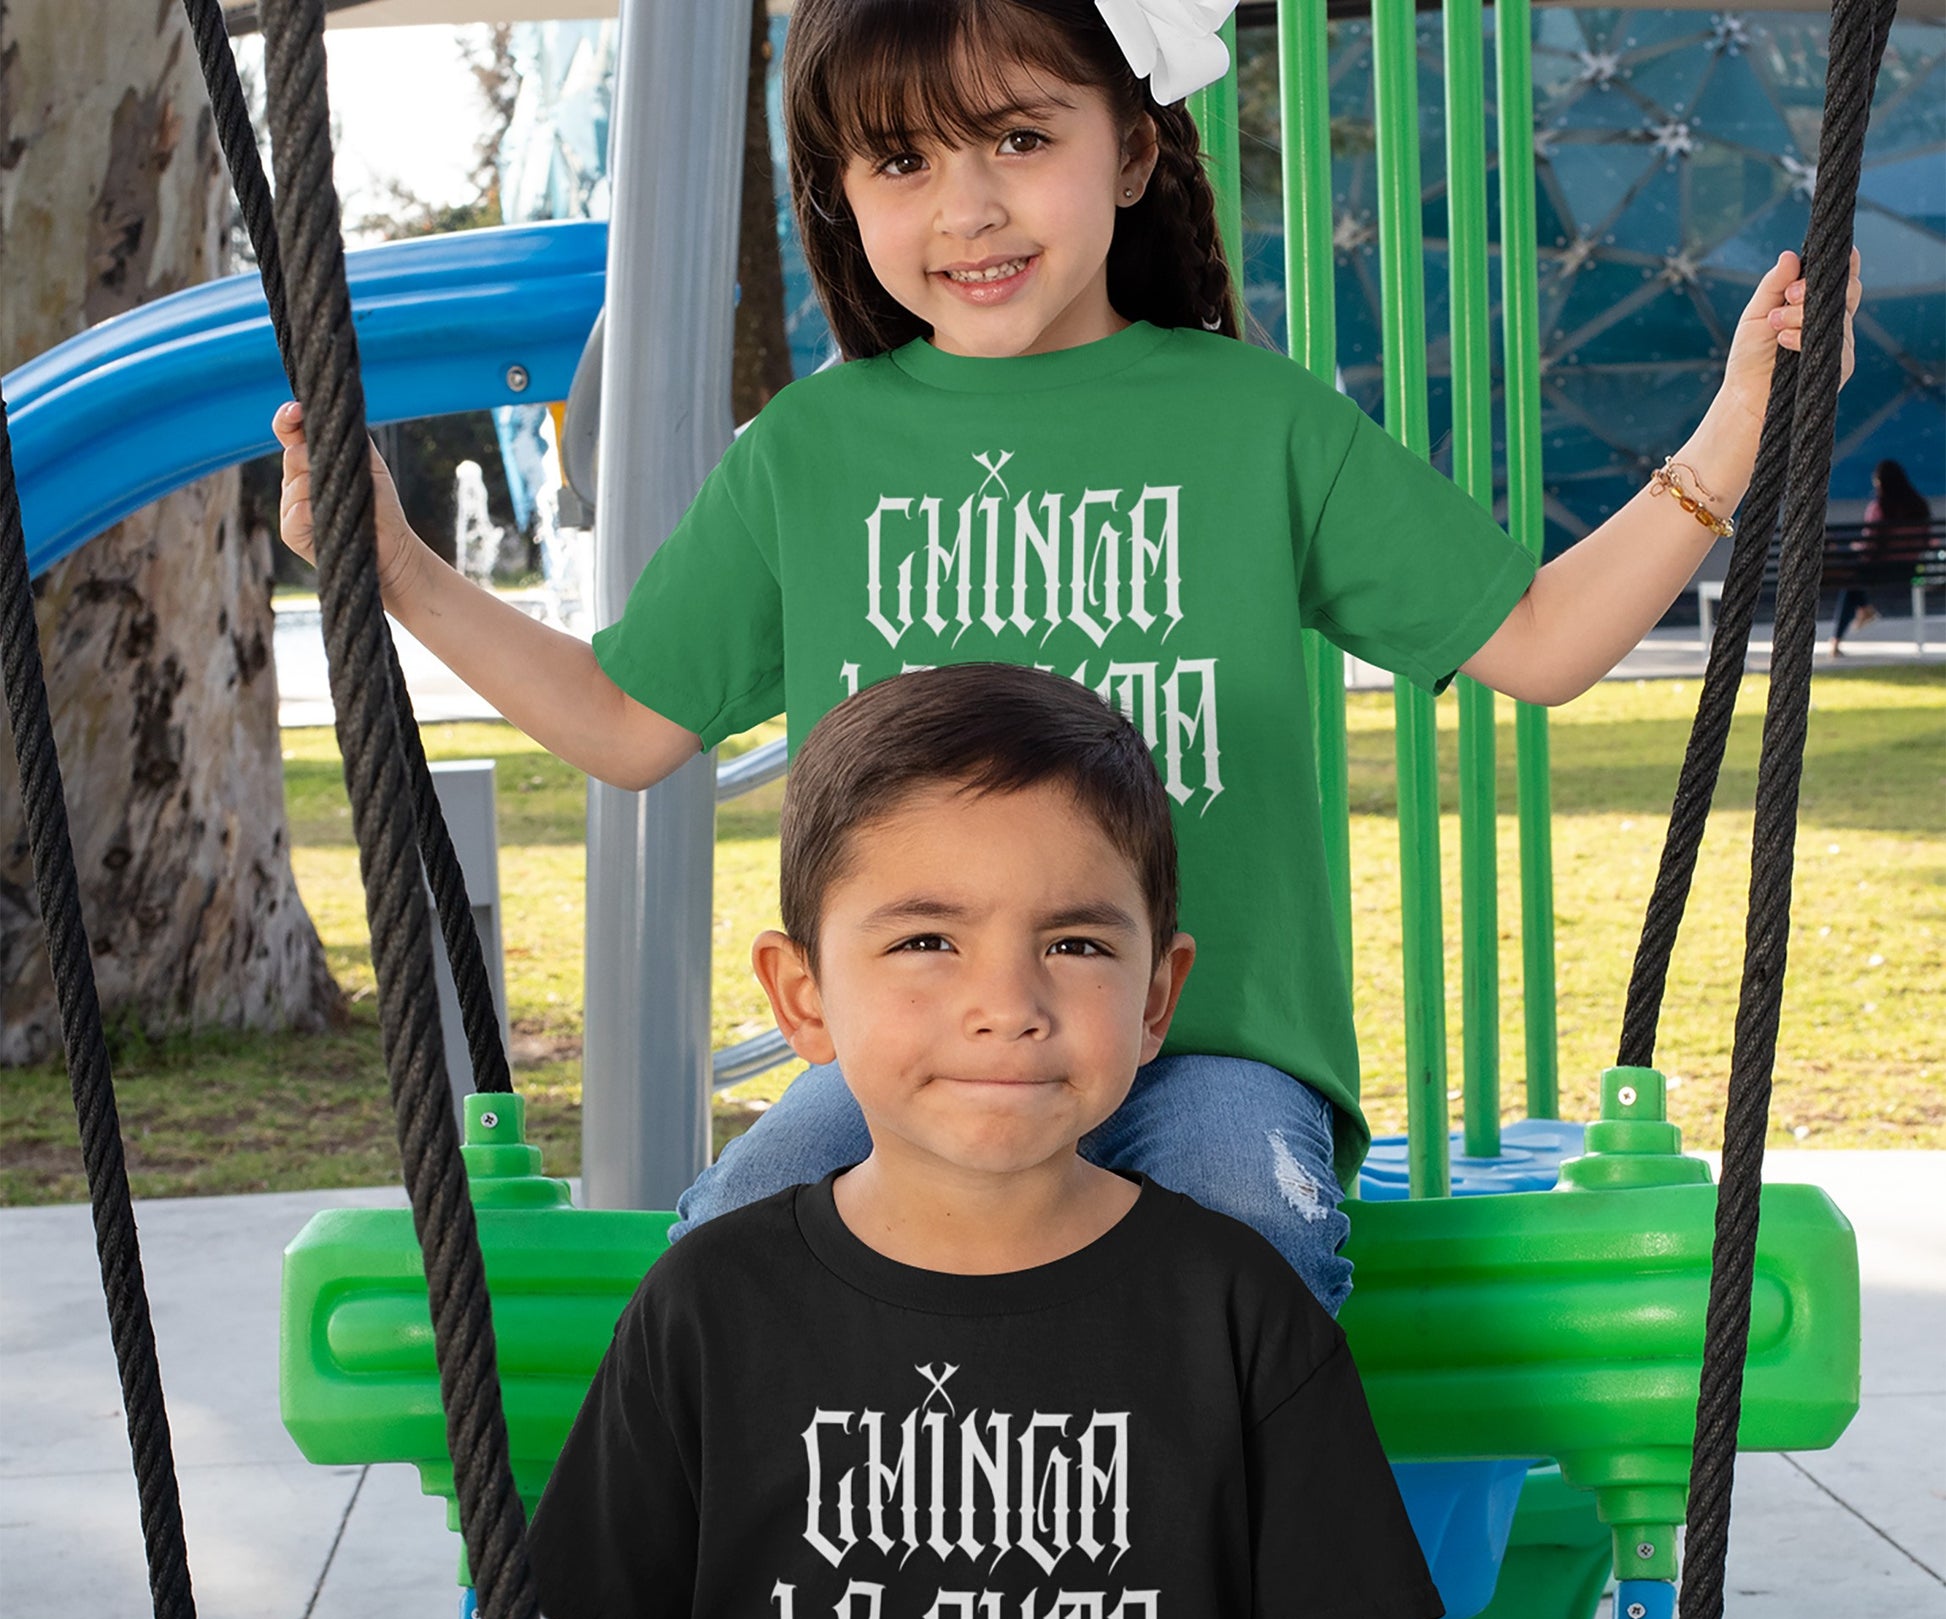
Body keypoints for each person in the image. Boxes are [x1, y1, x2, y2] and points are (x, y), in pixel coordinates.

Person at [272, 0, 1862, 1316]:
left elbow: (1540, 640)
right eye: (902, 160)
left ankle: (1209, 1601)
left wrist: (1737, 425)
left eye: (1019, 140)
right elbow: (626, 720)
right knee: (736, 1245)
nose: (965, 209)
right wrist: (396, 567)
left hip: (1208, 1053)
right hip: (906, 1063)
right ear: (843, 191)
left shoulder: (1249, 418)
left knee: (1246, 1229)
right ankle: (796, 1599)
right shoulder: (813, 451)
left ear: (1133, 147)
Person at [526, 661, 1446, 1619]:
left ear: (1156, 992)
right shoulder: (707, 1309)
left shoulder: (1238, 1311)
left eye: (1074, 943)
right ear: (801, 995)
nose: (1006, 1006)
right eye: (926, 940)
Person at [1828, 457, 1933, 656]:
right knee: (1853, 581)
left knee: (1851, 581)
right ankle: (1862, 611)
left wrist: (1857, 547)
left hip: (1881, 571)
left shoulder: (1880, 507)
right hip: (1909, 570)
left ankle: (1845, 630)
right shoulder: (1919, 505)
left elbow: (1871, 545)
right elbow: (1926, 542)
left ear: (1881, 483)